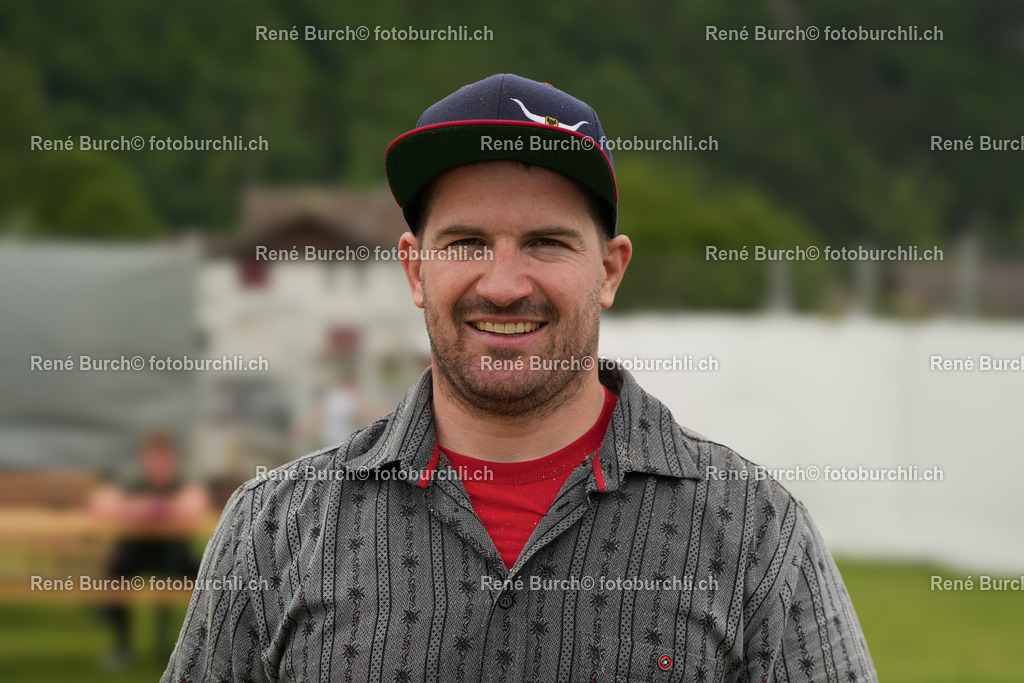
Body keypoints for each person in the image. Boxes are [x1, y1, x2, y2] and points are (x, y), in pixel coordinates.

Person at [162, 73, 877, 682]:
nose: (503, 286)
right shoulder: (275, 527)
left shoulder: (753, 528)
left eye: (546, 243)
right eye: (467, 242)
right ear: (415, 269)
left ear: (609, 270)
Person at [90, 428, 210, 666]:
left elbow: (195, 506)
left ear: (174, 460)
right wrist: (152, 509)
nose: (158, 466)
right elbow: (101, 503)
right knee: (114, 574)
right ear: (144, 460)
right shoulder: (133, 482)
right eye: (153, 460)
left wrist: (147, 508)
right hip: (136, 553)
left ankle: (198, 649)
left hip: (175, 554)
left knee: (214, 580)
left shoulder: (183, 482)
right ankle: (122, 646)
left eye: (163, 460)